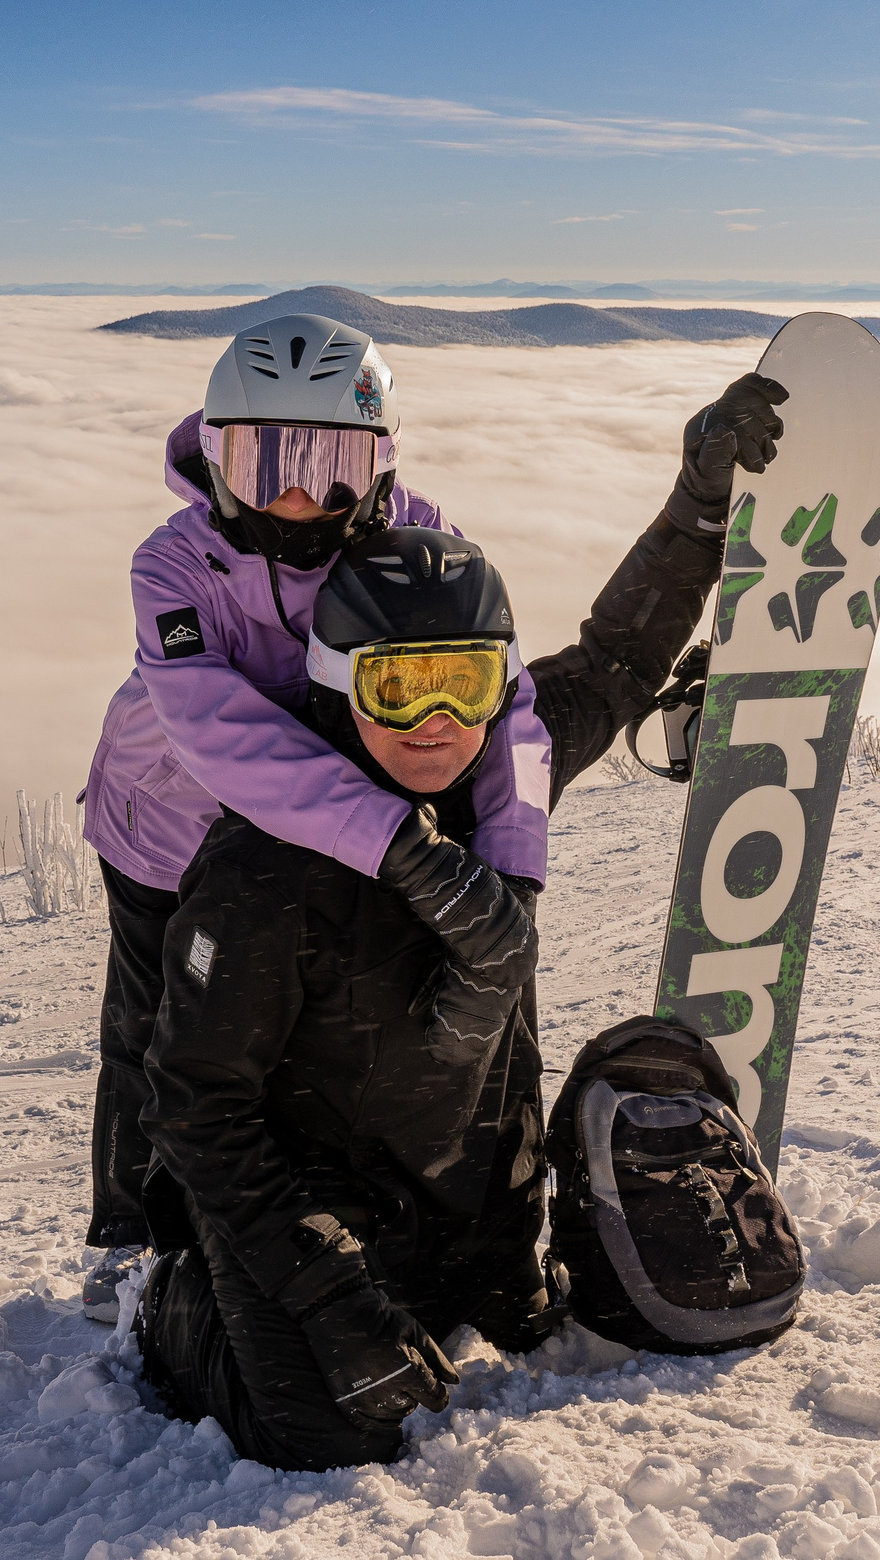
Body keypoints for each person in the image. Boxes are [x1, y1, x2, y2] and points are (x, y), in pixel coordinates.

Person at [129, 375, 788, 1472]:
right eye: (400, 688)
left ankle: (597, 1127)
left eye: (466, 682)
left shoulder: (491, 783)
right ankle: (168, 1305)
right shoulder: (264, 868)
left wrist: (697, 508)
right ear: (341, 683)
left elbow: (618, 660)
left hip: (469, 1214)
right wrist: (329, 1298)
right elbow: (197, 1112)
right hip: (312, 1221)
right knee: (325, 1432)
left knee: (534, 1313)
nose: (437, 722)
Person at [76, 314, 555, 1318]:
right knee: (149, 1026)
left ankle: (313, 1218)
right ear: (214, 457)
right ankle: (127, 1230)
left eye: (332, 463)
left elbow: (502, 703)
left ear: (380, 463)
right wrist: (407, 852)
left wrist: (509, 873)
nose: (298, 495)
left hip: (331, 846)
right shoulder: (171, 567)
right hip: (166, 828)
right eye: (265, 463)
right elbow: (221, 732)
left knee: (290, 1033)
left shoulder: (420, 537)